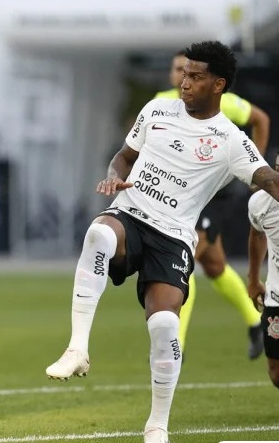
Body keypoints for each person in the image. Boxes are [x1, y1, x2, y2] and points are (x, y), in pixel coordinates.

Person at [45, 41, 279, 443]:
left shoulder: (229, 139)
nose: (184, 83)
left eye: (194, 77)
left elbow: (270, 182)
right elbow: (124, 155)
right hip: (131, 214)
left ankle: (157, 426)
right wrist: (114, 174)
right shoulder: (156, 110)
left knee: (167, 323)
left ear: (218, 84)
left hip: (173, 237)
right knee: (99, 232)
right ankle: (78, 348)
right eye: (183, 74)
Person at [155, 49, 271, 359]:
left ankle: (175, 344)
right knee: (216, 266)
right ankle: (255, 322)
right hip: (176, 195)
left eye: (189, 71)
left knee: (183, 259)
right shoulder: (161, 103)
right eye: (178, 69)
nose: (182, 77)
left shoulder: (222, 105)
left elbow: (260, 119)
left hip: (210, 196)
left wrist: (251, 169)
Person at [246, 153, 279, 392]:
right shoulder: (260, 203)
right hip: (276, 296)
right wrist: (254, 279)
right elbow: (257, 234)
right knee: (276, 373)